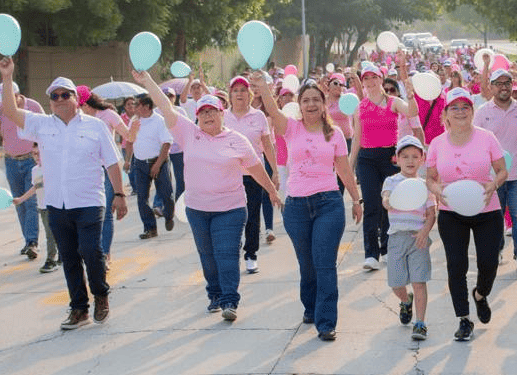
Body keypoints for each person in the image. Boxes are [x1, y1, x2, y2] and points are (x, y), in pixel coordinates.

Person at [135, 71, 280, 321]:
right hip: (198, 209)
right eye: (203, 112)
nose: (208, 115)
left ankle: (229, 300)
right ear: (196, 117)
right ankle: (214, 294)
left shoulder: (238, 140)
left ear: (222, 114)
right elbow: (166, 107)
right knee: (208, 256)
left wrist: (272, 190)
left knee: (227, 254)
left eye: (213, 111)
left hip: (231, 208)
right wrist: (147, 81)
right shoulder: (188, 133)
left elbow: (256, 168)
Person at [0, 60, 128, 330]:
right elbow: (10, 110)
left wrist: (119, 194)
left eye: (64, 94)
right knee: (69, 258)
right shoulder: (42, 124)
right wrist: (8, 76)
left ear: (76, 99)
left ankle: (101, 294)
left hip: (90, 201)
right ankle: (79, 309)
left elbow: (113, 162)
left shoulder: (95, 126)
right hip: (57, 204)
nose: (58, 99)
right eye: (54, 96)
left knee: (91, 252)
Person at [252, 75, 361, 341]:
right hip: (297, 207)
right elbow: (272, 108)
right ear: (299, 105)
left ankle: (326, 322)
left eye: (316, 100)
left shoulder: (334, 133)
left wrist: (357, 200)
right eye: (306, 100)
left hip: (328, 204)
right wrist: (264, 87)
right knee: (307, 264)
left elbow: (344, 169)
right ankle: (310, 307)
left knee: (325, 263)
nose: (311, 104)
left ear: (324, 104)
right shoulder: (291, 128)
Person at [425, 87, 508, 342]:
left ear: (473, 111)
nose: (460, 112)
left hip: (487, 209)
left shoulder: (487, 138)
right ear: (446, 114)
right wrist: (437, 189)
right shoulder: (437, 144)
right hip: (452, 212)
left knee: (489, 262)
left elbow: (502, 170)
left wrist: (494, 183)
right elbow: (429, 177)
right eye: (454, 108)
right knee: (456, 266)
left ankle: (481, 294)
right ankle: (463, 319)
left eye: (465, 107)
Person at [350, 58, 418, 271]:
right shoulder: (360, 107)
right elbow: (356, 140)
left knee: (390, 203)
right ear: (363, 82)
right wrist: (349, 169)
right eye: (366, 79)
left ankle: (387, 248)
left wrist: (412, 93)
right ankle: (371, 254)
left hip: (389, 157)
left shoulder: (393, 102)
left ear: (380, 78)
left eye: (373, 77)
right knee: (371, 204)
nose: (370, 82)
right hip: (367, 159)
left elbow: (413, 112)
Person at [474, 68, 517, 273]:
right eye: (499, 83)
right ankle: (496, 251)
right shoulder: (483, 112)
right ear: (491, 87)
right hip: (493, 176)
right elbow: (477, 141)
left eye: (507, 83)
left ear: (512, 86)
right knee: (495, 217)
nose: (503, 87)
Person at [0, 70, 45, 261]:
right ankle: (28, 241)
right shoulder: (0, 110)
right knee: (18, 202)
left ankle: (33, 242)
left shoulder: (33, 106)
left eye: (8, 98)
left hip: (32, 160)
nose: (4, 102)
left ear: (17, 95)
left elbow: (46, 131)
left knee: (31, 201)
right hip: (11, 161)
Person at [381, 135, 437, 341]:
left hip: (418, 239)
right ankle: (406, 301)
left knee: (419, 281)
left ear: (422, 159)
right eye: (405, 156)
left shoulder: (425, 185)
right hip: (396, 238)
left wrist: (425, 232)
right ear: (397, 159)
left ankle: (420, 323)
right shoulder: (392, 181)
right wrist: (388, 201)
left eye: (415, 156)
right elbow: (386, 197)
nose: (410, 160)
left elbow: (432, 213)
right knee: (396, 283)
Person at [224, 75, 279, 275]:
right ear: (230, 95)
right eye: (235, 90)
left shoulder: (258, 117)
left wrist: (274, 172)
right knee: (231, 217)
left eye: (243, 90)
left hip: (253, 174)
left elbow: (267, 145)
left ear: (250, 94)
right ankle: (232, 253)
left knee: (252, 216)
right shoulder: (222, 116)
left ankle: (251, 254)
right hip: (228, 176)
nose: (239, 94)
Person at [79, 91, 130, 269]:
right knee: (90, 213)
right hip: (88, 170)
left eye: (78, 106)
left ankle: (105, 255)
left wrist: (136, 128)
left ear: (85, 104)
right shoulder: (77, 121)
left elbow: (128, 134)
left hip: (108, 168)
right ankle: (93, 252)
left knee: (106, 212)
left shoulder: (108, 115)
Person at [126, 95, 174, 239]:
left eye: (137, 105)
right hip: (140, 164)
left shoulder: (159, 121)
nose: (134, 108)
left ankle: (169, 215)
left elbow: (166, 143)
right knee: (142, 198)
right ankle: (150, 228)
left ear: (146, 107)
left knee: (166, 194)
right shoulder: (134, 121)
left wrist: (157, 165)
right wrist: (128, 160)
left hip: (159, 161)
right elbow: (129, 141)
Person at [12, 148, 60, 273]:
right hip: (42, 207)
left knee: (51, 235)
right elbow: (35, 188)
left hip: (54, 205)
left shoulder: (53, 167)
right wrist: (21, 199)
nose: (37, 156)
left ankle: (51, 259)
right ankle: (62, 254)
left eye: (39, 153)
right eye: (34, 154)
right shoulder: (35, 170)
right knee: (53, 233)